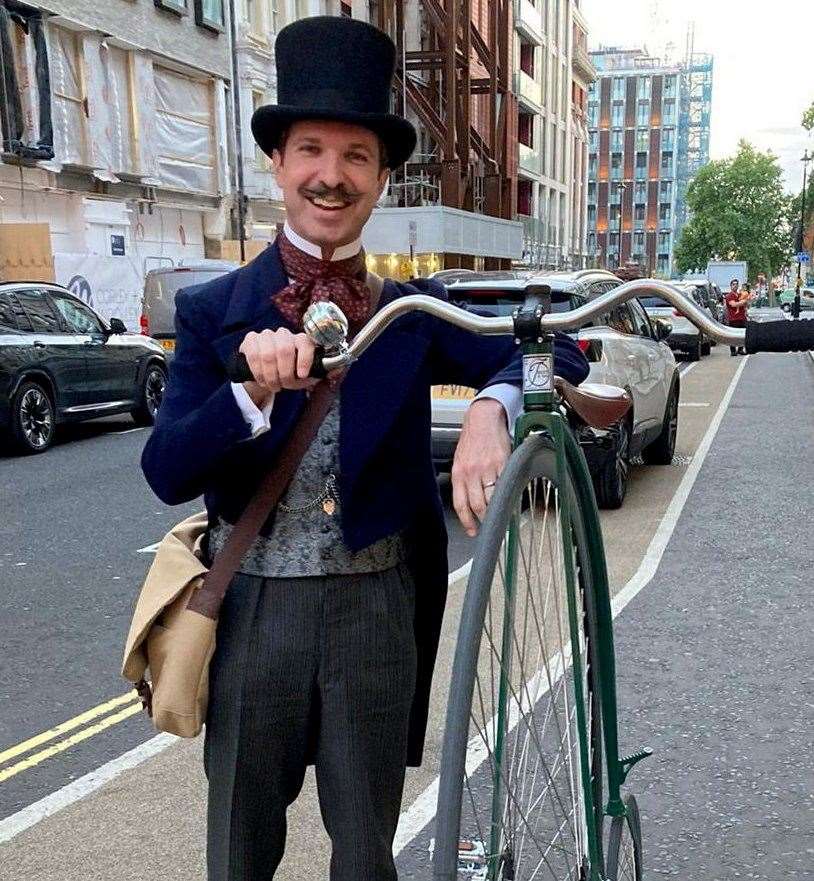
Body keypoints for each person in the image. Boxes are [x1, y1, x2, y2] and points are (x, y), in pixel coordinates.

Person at [140, 17, 589, 881]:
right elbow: (165, 471)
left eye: (356, 156)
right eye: (311, 149)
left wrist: (496, 407)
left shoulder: (411, 310)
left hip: (376, 615)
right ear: (279, 162)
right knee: (237, 850)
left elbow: (551, 346)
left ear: (382, 177)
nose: (330, 176)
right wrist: (251, 391)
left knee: (366, 853)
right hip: (255, 610)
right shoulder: (214, 310)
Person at [725, 278, 749, 355]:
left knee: (743, 334)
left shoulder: (740, 295)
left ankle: (740, 349)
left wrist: (746, 302)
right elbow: (733, 304)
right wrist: (743, 302)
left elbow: (746, 304)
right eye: (733, 284)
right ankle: (733, 351)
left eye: (736, 284)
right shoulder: (729, 296)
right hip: (733, 319)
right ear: (731, 286)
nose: (735, 286)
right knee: (733, 335)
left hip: (742, 318)